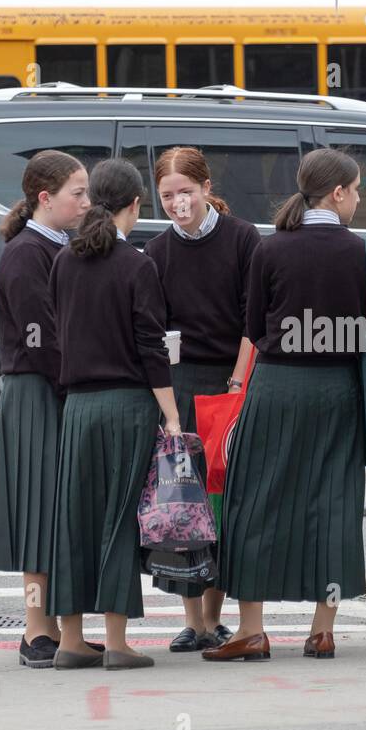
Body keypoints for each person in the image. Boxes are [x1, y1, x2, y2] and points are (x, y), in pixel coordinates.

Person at [205, 148, 366, 662]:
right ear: (339, 192)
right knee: (333, 504)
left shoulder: (270, 248)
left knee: (255, 502)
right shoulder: (362, 252)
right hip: (338, 389)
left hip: (277, 386)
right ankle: (322, 630)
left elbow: (254, 327)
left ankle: (252, 629)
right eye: (358, 189)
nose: (361, 199)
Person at [47, 158, 181, 670]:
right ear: (135, 205)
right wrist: (170, 416)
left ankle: (71, 640)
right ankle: (118, 642)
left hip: (78, 407)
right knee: (119, 519)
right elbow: (152, 347)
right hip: (126, 406)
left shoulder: (64, 262)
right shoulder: (138, 265)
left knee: (75, 520)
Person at [0, 149, 99, 669]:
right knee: (38, 513)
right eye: (78, 192)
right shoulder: (28, 254)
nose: (87, 201)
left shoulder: (52, 246)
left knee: (53, 512)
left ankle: (51, 628)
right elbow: (40, 339)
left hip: (48, 388)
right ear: (45, 198)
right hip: (38, 391)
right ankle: (36, 631)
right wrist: (77, 381)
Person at [144, 146, 259, 653]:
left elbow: (254, 322)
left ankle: (215, 618)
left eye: (185, 192)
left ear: (206, 187)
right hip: (182, 384)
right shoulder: (158, 252)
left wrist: (236, 384)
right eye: (167, 195)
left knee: (225, 503)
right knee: (184, 504)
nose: (177, 203)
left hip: (231, 383)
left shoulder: (242, 239)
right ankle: (194, 620)